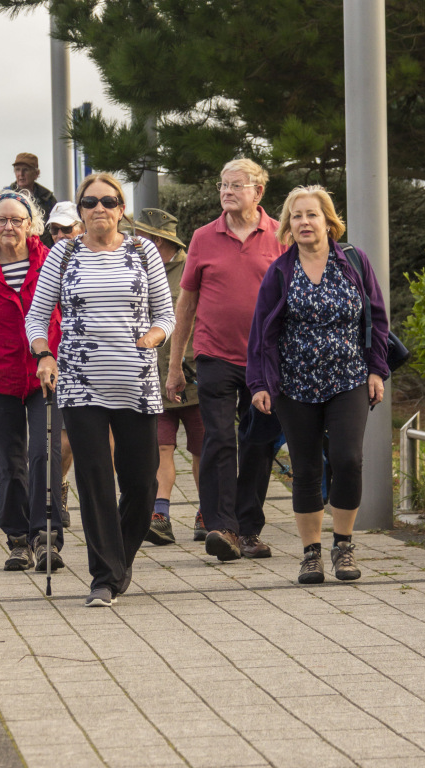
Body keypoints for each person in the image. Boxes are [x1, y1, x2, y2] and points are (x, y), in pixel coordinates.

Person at [27, 172, 176, 607]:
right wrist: (45, 355)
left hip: (137, 383)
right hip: (80, 384)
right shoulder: (64, 253)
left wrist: (153, 337)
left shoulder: (142, 250)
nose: (99, 210)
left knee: (141, 483)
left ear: (121, 208)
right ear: (80, 210)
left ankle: (119, 562)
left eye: (108, 202)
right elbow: (37, 317)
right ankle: (104, 578)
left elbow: (166, 315)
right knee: (94, 482)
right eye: (89, 203)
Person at [247, 185, 389, 584]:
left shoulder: (355, 262)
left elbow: (377, 319)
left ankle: (343, 545)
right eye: (296, 216)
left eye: (311, 215)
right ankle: (311, 554)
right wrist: (259, 382)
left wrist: (375, 369)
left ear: (328, 220)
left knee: (347, 459)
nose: (304, 222)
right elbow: (261, 332)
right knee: (306, 467)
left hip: (349, 378)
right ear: (288, 225)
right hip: (294, 383)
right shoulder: (280, 270)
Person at [166, 158, 287, 562]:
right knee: (218, 439)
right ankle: (222, 528)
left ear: (259, 192)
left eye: (236, 185)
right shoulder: (203, 237)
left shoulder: (280, 236)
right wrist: (174, 364)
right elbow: (186, 305)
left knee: (258, 444)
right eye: (222, 184)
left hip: (266, 361)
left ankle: (249, 529)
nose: (227, 191)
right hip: (213, 355)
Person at [0, 190, 65, 571]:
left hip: (45, 373)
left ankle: (46, 535)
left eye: (16, 220)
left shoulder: (51, 261)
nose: (8, 226)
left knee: (44, 451)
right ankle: (17, 538)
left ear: (30, 224)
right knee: (9, 461)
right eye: (1, 220)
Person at [134, 209, 205, 545]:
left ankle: (208, 512)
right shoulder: (135, 269)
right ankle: (160, 515)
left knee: (202, 448)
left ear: (157, 239)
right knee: (160, 447)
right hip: (151, 376)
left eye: (141, 235)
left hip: (193, 375)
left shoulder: (192, 268)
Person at [46, 201, 85, 528]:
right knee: (63, 436)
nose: (59, 235)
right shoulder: (46, 262)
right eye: (54, 230)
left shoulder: (99, 257)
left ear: (81, 228)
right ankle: (53, 490)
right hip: (54, 358)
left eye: (66, 229)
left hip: (97, 361)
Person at [8, 153, 57, 247]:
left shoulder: (47, 198)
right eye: (17, 170)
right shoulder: (6, 196)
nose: (20, 174)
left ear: (36, 174)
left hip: (43, 252)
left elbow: (55, 229)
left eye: (25, 170)